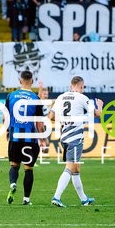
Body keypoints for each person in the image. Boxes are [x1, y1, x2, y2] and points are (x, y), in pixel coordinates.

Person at [48, 76, 102, 207]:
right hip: (75, 137)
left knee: (76, 168)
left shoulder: (60, 97)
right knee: (70, 167)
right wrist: (99, 106)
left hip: (64, 136)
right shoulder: (82, 98)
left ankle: (84, 199)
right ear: (81, 86)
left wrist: (66, 120)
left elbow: (50, 117)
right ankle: (56, 197)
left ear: (71, 84)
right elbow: (97, 114)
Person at [4, 70, 43, 205]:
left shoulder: (11, 96)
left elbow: (6, 117)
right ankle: (26, 199)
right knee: (28, 169)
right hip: (30, 138)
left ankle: (13, 183)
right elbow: (39, 122)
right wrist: (43, 137)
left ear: (20, 81)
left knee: (14, 166)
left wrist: (7, 132)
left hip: (15, 137)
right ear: (32, 81)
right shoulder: (36, 98)